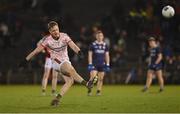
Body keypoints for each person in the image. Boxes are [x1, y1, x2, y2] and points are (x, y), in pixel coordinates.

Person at [19, 21, 97, 106]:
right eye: (53, 31)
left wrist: (79, 52)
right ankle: (87, 84)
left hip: (65, 60)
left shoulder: (64, 36)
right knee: (71, 70)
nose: (56, 32)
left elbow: (73, 46)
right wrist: (25, 60)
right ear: (50, 31)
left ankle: (57, 99)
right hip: (56, 62)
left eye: (57, 29)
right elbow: (36, 51)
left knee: (70, 81)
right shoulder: (47, 40)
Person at [88, 30, 110, 96]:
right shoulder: (92, 45)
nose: (100, 37)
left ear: (103, 37)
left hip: (102, 64)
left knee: (101, 79)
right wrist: (90, 64)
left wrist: (108, 64)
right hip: (94, 64)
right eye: (98, 36)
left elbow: (107, 55)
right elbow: (90, 55)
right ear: (96, 36)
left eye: (101, 36)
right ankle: (89, 90)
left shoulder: (105, 45)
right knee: (93, 77)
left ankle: (98, 91)